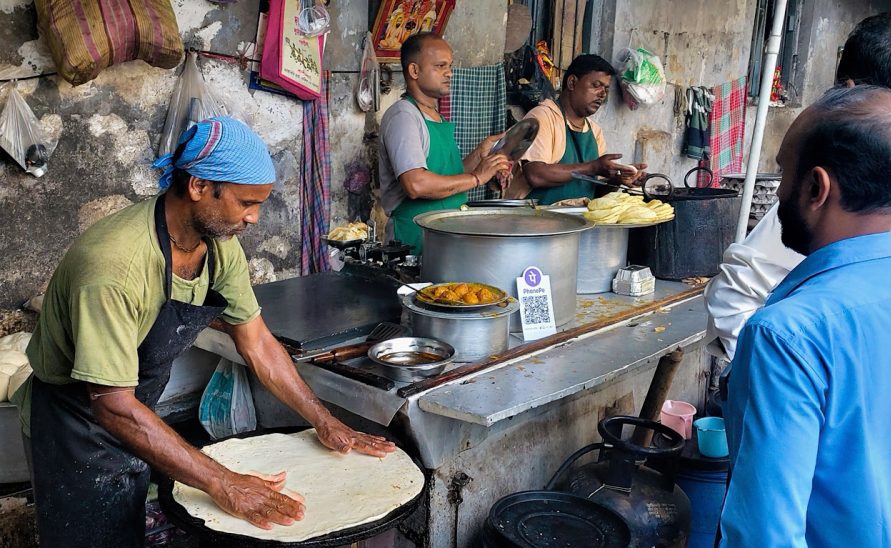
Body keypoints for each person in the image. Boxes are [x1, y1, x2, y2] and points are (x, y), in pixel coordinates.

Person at [10, 116, 396, 547]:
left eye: (260, 204)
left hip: (133, 410)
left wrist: (325, 421)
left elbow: (259, 344)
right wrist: (224, 482)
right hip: (74, 425)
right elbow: (112, 405)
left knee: (127, 527)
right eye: (246, 202)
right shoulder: (114, 267)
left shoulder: (218, 246)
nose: (253, 218)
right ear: (198, 185)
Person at [719, 85, 891, 546]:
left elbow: (765, 535)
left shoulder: (787, 336)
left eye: (783, 172)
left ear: (816, 187)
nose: (780, 190)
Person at [704, 13, 891, 360]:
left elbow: (735, 295)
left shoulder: (842, 192)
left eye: (785, 176)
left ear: (847, 92)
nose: (782, 191)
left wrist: (770, 380)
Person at [378, 32, 509, 254]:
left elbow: (445, 174)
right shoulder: (404, 116)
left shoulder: (435, 116)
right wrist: (477, 178)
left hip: (445, 237)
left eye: (450, 65)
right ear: (414, 71)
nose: (449, 73)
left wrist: (480, 155)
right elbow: (416, 184)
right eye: (440, 66)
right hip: (414, 240)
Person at [505, 54, 646, 205]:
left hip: (577, 224)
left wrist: (618, 180)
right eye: (596, 85)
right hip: (534, 223)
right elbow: (535, 175)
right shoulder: (544, 117)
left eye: (606, 88)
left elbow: (593, 193)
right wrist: (593, 167)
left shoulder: (595, 131)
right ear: (572, 83)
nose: (602, 94)